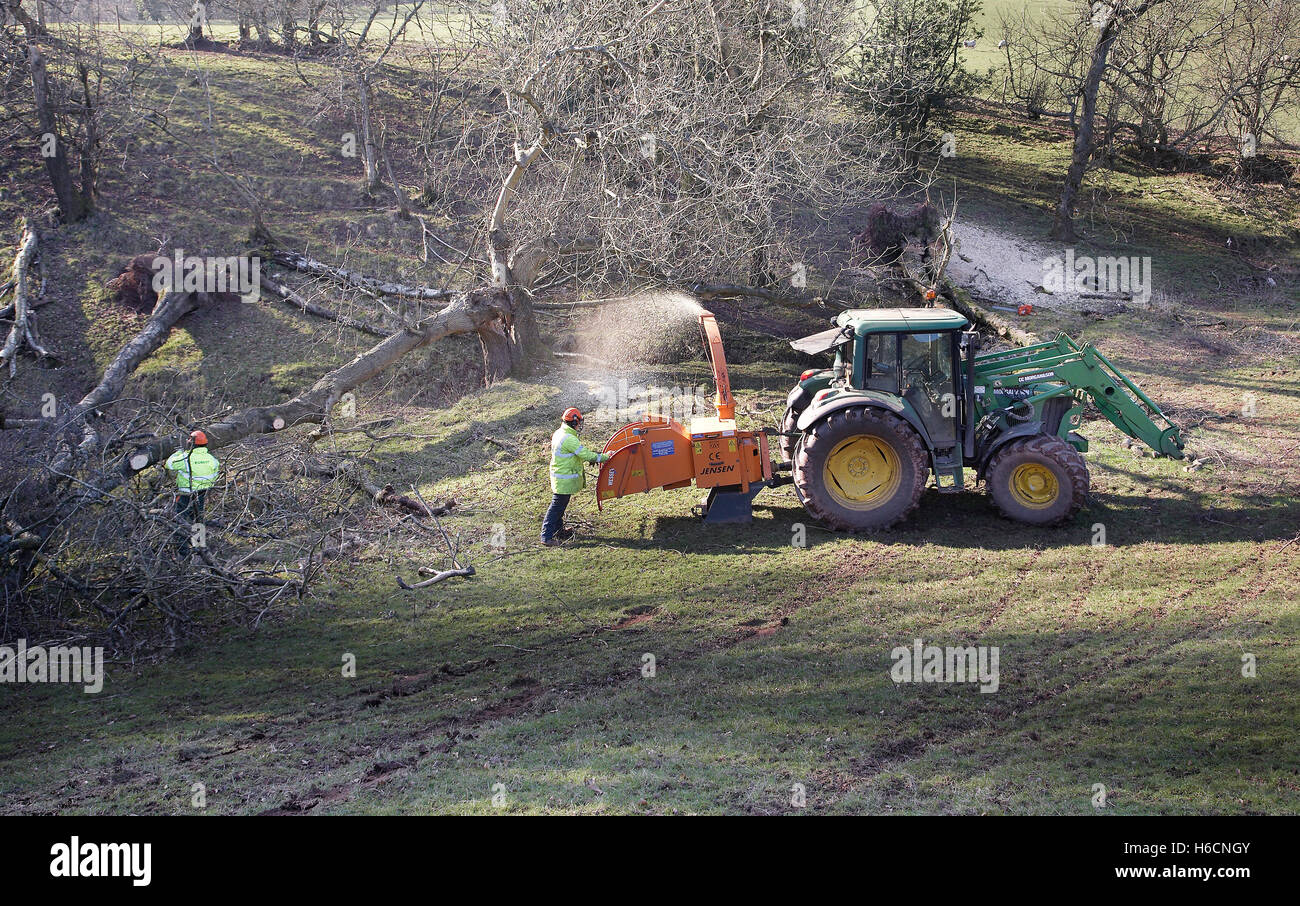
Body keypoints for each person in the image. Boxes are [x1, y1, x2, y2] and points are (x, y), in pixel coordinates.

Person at [542, 408, 609, 547]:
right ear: (573, 423)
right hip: (564, 478)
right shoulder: (569, 438)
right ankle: (546, 536)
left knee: (560, 506)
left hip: (560, 476)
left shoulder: (560, 433)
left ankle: (558, 531)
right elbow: (585, 454)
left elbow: (576, 454)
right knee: (556, 507)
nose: (580, 425)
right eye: (578, 423)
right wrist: (605, 457)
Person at [164, 430, 220, 552]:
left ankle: (182, 550)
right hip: (202, 493)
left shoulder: (185, 458)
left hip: (185, 494)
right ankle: (199, 549)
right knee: (197, 519)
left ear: (192, 443)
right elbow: (215, 476)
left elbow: (169, 464)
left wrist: (177, 453)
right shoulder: (212, 459)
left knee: (179, 520)